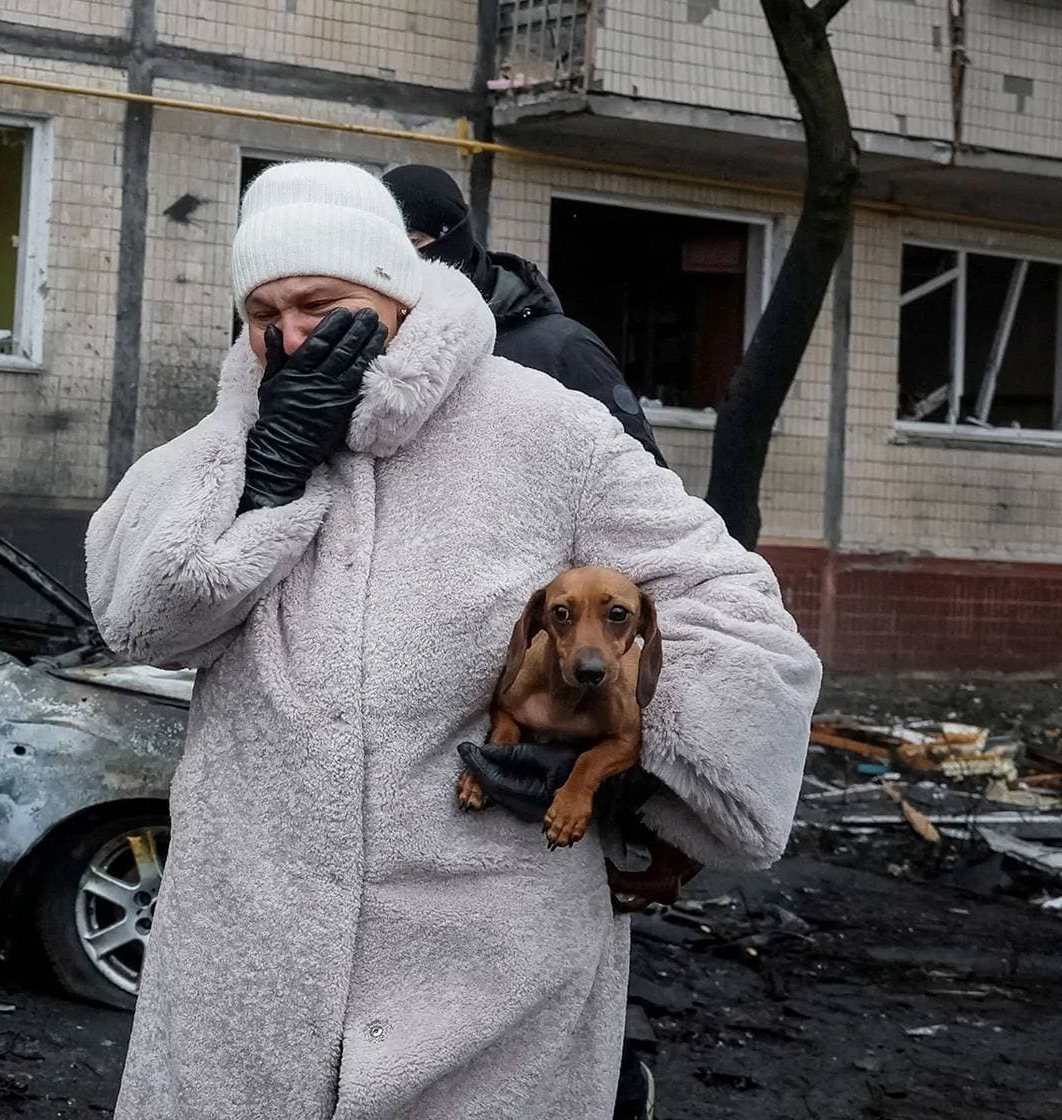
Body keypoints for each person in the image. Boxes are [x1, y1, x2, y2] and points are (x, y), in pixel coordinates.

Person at [87, 162, 819, 1119]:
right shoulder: (229, 440)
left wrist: (627, 767)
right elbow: (141, 623)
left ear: (394, 291)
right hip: (249, 964)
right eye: (264, 313)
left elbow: (737, 612)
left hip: (489, 972)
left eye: (321, 304)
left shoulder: (549, 432)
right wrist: (267, 478)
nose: (292, 336)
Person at [383, 163, 674, 1118]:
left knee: (561, 975)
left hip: (570, 699)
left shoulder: (557, 352)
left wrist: (648, 787)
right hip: (446, 741)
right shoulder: (375, 351)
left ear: (448, 242)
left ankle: (615, 1086)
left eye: (414, 250)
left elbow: (650, 534)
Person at [381, 164, 665, 467]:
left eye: (413, 243)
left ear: (454, 238)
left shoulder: (563, 349)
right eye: (384, 248)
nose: (400, 262)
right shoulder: (383, 344)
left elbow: (641, 475)